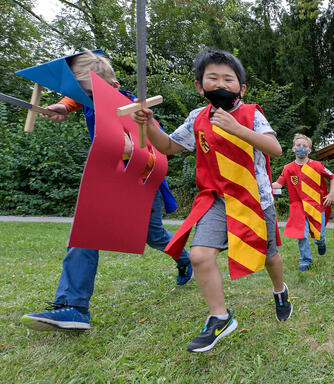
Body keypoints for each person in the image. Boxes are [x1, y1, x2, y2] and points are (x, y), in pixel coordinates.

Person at [132, 49, 293, 353]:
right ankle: (220, 318)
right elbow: (167, 146)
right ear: (199, 85)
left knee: (268, 256)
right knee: (200, 256)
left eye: (228, 79)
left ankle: (279, 290)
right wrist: (150, 123)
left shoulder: (252, 114)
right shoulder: (197, 118)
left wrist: (237, 128)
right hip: (216, 200)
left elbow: (275, 148)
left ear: (241, 88)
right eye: (213, 78)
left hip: (255, 200)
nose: (220, 83)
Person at [21, 50, 193, 332]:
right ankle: (73, 308)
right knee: (85, 234)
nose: (86, 97)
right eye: (82, 93)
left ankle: (184, 258)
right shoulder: (89, 99)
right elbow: (76, 100)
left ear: (108, 87)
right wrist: (63, 106)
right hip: (108, 181)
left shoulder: (135, 109)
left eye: (89, 91)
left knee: (155, 236)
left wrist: (131, 152)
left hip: (141, 186)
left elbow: (159, 156)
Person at [272, 133, 334, 271]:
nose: (301, 148)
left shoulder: (317, 165)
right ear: (293, 149)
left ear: (309, 150)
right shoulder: (288, 168)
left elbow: (332, 177)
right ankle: (306, 260)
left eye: (304, 146)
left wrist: (331, 194)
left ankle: (320, 243)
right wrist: (266, 185)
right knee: (301, 235)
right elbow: (279, 184)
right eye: (298, 145)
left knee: (319, 237)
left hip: (316, 206)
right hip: (298, 207)